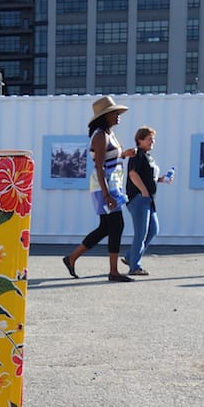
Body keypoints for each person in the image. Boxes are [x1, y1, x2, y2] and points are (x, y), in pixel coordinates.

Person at [63, 96, 136, 282]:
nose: (118, 115)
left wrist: (124, 154)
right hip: (105, 187)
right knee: (117, 225)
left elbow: (111, 158)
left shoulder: (108, 133)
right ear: (105, 116)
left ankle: (71, 258)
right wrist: (107, 194)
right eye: (114, 113)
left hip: (111, 185)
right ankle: (113, 271)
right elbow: (99, 166)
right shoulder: (100, 135)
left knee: (105, 227)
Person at [124, 126, 171, 276]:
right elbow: (133, 174)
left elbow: (148, 176)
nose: (153, 141)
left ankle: (130, 257)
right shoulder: (137, 154)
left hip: (148, 200)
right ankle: (135, 267)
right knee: (141, 233)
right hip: (139, 199)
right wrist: (143, 191)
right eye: (150, 139)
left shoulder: (148, 156)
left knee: (153, 230)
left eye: (153, 139)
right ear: (140, 140)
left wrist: (161, 179)